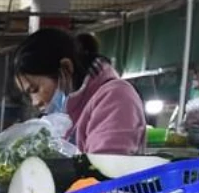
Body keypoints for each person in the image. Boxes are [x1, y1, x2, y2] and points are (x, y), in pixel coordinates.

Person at [13, 28, 146, 155]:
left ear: (66, 68)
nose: (35, 102)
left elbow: (105, 169)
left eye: (34, 90)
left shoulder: (115, 97)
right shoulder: (66, 116)